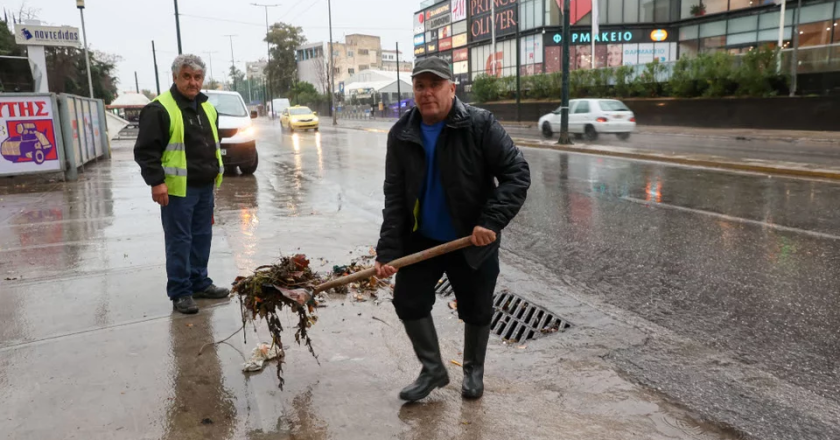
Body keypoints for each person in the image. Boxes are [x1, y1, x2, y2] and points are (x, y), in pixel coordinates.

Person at [375, 57, 531, 402]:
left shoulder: (479, 125)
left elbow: (517, 174)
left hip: (471, 240)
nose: (427, 93)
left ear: (452, 88)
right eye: (420, 86)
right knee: (408, 301)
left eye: (435, 85)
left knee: (476, 309)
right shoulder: (401, 134)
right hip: (423, 239)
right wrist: (387, 251)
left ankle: (473, 370)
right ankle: (433, 370)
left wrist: (490, 222)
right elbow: (395, 197)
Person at [134, 54, 230, 315]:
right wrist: (156, 182)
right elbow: (145, 151)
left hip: (204, 186)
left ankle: (200, 283)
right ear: (175, 77)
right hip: (177, 190)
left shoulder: (208, 108)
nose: (192, 82)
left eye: (197, 77)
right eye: (186, 76)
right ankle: (180, 291)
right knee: (179, 240)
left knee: (202, 237)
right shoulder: (159, 109)